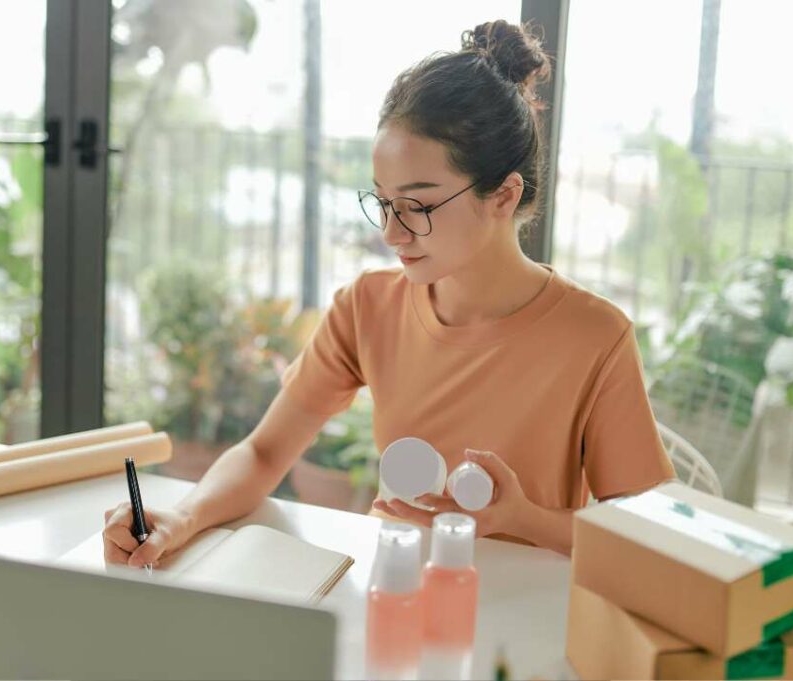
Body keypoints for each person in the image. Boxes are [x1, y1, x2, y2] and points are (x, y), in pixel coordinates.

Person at [103, 19, 675, 565]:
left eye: (419, 206)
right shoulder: (369, 306)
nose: (391, 234)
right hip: (389, 592)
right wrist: (181, 518)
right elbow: (263, 452)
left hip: (521, 621)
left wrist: (522, 517)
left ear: (503, 195)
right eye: (383, 201)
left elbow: (650, 532)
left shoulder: (593, 337)